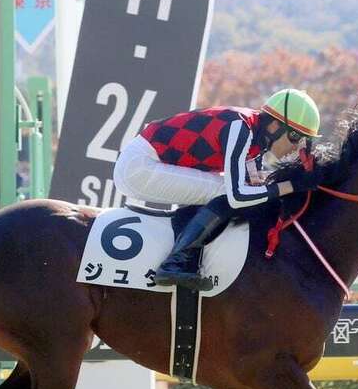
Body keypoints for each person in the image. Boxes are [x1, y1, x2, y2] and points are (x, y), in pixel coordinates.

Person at [113, 89, 322, 290]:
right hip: (138, 166)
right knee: (225, 192)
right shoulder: (240, 128)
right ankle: (174, 263)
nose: (297, 146)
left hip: (151, 162)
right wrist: (291, 186)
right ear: (275, 126)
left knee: (230, 190)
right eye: (295, 136)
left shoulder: (256, 141)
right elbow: (237, 195)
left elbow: (255, 188)